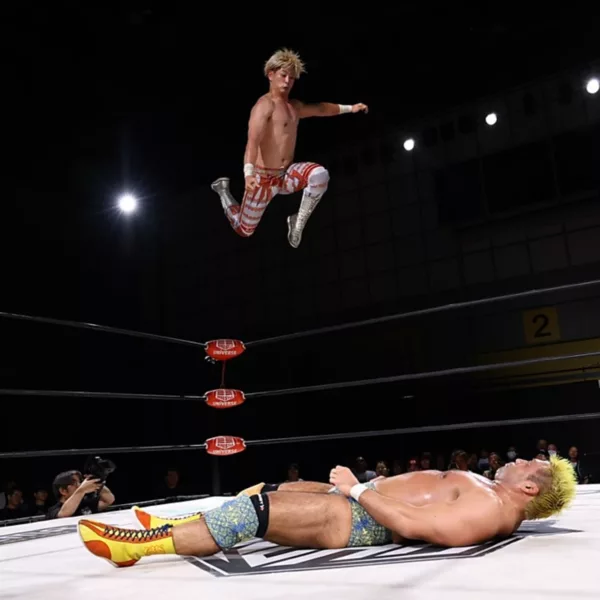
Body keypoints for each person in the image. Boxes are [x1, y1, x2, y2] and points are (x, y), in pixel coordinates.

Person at [78, 456, 577, 568]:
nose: (517, 460)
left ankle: (136, 548)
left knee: (252, 511)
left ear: (529, 486)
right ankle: (175, 526)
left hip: (363, 518)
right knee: (270, 488)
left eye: (527, 464)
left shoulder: (491, 507)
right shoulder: (491, 491)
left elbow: (420, 526)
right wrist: (359, 489)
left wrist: (358, 491)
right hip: (363, 501)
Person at [210, 48, 368, 248]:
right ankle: (223, 191)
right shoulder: (264, 106)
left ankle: (297, 221)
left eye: (292, 78)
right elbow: (253, 141)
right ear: (271, 75)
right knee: (245, 229)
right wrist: (248, 174)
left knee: (320, 174)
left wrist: (350, 108)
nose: (287, 81)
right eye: (283, 76)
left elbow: (321, 109)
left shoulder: (294, 107)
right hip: (263, 179)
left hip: (285, 175)